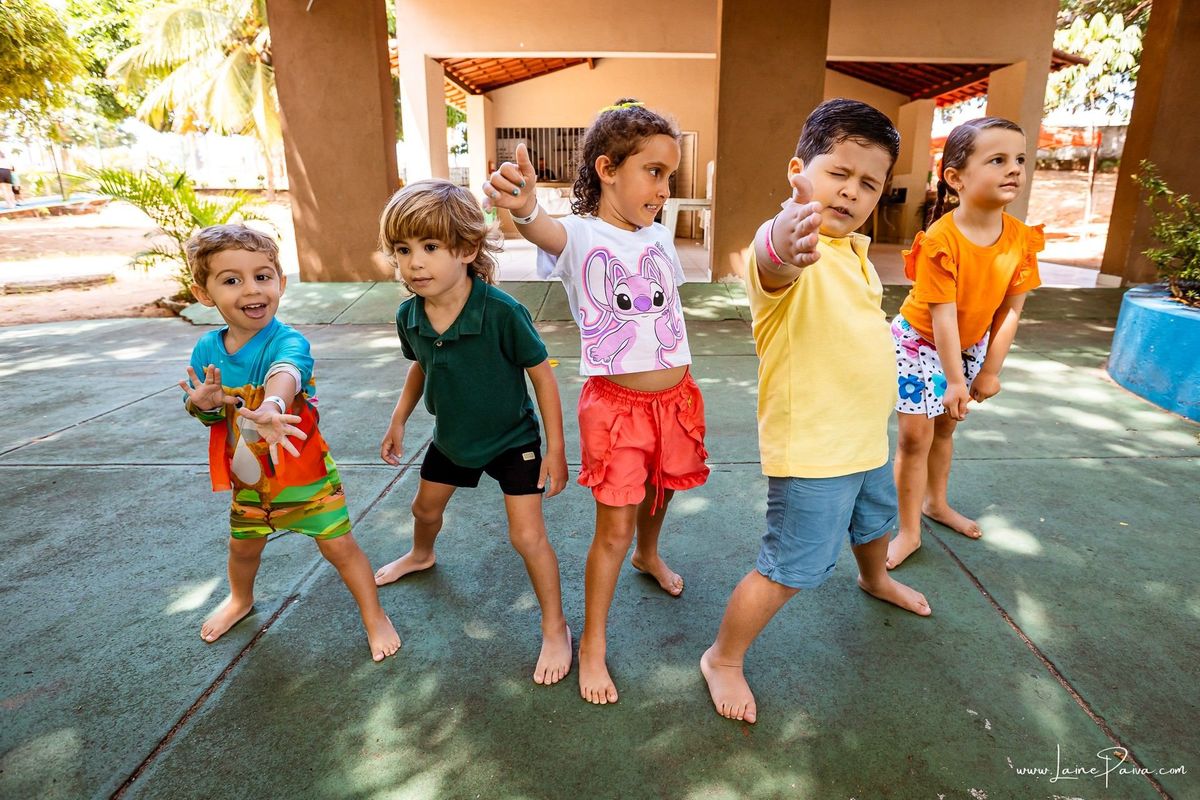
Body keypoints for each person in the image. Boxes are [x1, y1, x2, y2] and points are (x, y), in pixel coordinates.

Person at [699, 99, 932, 724]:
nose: (852, 192)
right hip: (814, 452)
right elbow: (774, 259)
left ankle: (874, 578)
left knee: (873, 523)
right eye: (839, 173)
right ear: (799, 171)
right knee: (789, 568)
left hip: (866, 440)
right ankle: (723, 657)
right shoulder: (790, 246)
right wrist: (789, 230)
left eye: (869, 183)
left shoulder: (855, 253)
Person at [484, 99, 709, 705]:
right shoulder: (581, 235)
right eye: (654, 172)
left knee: (663, 489)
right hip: (617, 409)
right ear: (607, 169)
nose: (664, 189)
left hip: (677, 400)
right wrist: (524, 205)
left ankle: (648, 555)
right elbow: (541, 228)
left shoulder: (658, 235)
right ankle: (592, 644)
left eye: (670, 175)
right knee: (613, 529)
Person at [374, 179, 573, 686]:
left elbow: (542, 377)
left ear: (466, 250)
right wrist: (399, 417)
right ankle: (422, 554)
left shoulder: (503, 312)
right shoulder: (409, 316)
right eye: (403, 250)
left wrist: (555, 449)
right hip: (453, 438)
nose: (414, 263)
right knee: (424, 510)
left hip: (513, 440)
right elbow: (420, 366)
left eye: (429, 247)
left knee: (527, 536)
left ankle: (555, 626)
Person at [180, 224, 401, 662]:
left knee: (339, 547)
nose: (252, 289)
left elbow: (287, 372)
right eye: (231, 280)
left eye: (262, 276)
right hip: (249, 481)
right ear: (204, 294)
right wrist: (201, 406)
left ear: (280, 282)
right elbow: (209, 413)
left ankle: (375, 615)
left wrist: (273, 403)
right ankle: (240, 599)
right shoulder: (207, 349)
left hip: (305, 474)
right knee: (242, 548)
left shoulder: (288, 340)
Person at [885, 117, 1043, 570]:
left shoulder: (1021, 240)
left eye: (1019, 159)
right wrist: (956, 381)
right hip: (919, 342)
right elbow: (941, 315)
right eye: (997, 160)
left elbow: (1010, 311)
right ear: (955, 178)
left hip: (969, 344)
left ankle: (936, 503)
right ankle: (908, 530)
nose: (1014, 168)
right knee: (915, 437)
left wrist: (990, 370)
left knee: (946, 429)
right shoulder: (941, 239)